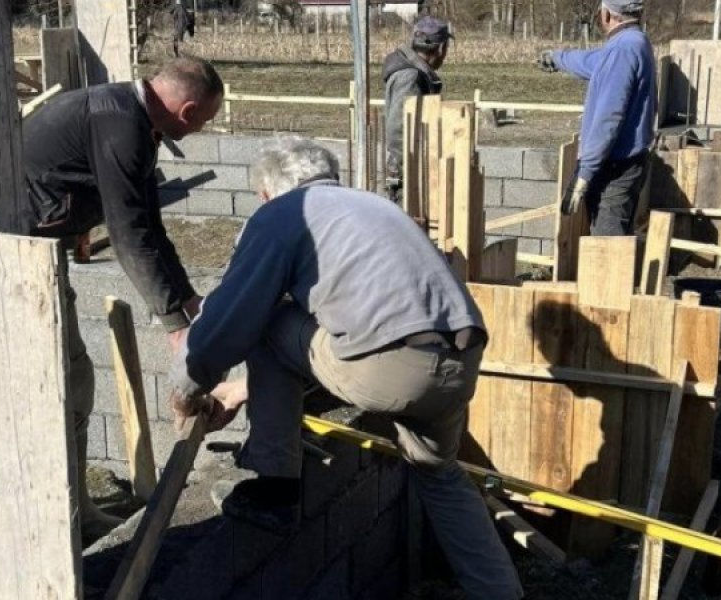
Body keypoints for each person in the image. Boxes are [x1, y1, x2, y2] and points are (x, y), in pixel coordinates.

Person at [166, 138, 524, 599]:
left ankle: (275, 485)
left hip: (389, 368)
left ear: (266, 193)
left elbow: (230, 318)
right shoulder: (374, 208)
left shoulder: (282, 215)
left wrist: (186, 387)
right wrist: (241, 389)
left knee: (268, 315)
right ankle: (503, 593)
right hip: (460, 361)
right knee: (439, 475)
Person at [18, 56, 223, 543]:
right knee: (70, 381)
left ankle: (72, 509)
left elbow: (150, 224)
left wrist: (187, 299)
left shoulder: (132, 117)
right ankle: (68, 517)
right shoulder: (120, 126)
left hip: (38, 250)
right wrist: (176, 327)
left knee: (71, 382)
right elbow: (129, 235)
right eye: (205, 120)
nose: (202, 130)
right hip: (17, 261)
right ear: (188, 110)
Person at [538, 0, 656, 235]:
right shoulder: (634, 41)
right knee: (615, 242)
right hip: (626, 162)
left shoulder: (622, 50)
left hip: (616, 167)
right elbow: (594, 62)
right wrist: (558, 58)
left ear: (606, 15)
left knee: (607, 246)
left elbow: (608, 118)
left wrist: (585, 173)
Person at [382, 16, 451, 204]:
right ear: (441, 48)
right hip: (408, 177)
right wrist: (414, 171)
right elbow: (398, 131)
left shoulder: (413, 73)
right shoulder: (410, 77)